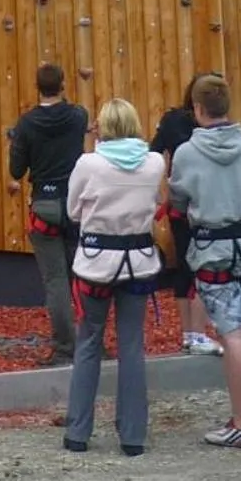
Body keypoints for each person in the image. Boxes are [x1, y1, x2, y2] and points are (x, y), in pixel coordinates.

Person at [168, 73, 241, 449]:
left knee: (233, 333)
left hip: (214, 250)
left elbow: (178, 201)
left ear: (198, 109)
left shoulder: (187, 153)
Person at [61, 98, 165, 456]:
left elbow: (73, 211)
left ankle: (78, 432)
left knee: (88, 342)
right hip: (138, 261)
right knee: (131, 345)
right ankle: (133, 435)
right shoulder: (154, 163)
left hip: (95, 263)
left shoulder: (89, 164)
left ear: (102, 127)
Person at [8, 62, 90, 364]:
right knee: (84, 275)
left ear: (37, 87)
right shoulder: (78, 116)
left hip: (44, 204)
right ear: (63, 84)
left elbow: (16, 169)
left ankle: (65, 348)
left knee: (56, 280)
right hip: (77, 203)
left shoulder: (27, 124)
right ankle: (93, 341)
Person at [151, 79, 224, 358]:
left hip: (181, 203)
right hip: (206, 203)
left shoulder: (171, 121)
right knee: (203, 265)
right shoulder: (206, 126)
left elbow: (153, 152)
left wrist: (162, 185)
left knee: (186, 264)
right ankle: (197, 332)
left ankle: (190, 332)